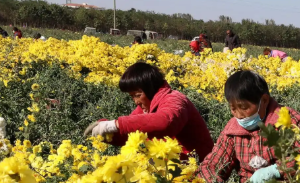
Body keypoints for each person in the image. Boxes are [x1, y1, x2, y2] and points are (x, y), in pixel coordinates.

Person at [200, 70, 300, 183]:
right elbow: (211, 165)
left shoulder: (287, 120)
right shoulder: (232, 131)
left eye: (244, 108)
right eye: (233, 109)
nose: (239, 115)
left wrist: (278, 169)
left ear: (264, 100)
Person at [83, 62, 214, 160]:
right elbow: (131, 134)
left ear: (150, 88)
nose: (135, 101)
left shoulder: (174, 99)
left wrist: (113, 125)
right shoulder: (145, 107)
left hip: (197, 170)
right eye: (132, 96)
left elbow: (165, 122)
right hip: (170, 169)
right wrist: (107, 135)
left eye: (137, 95)